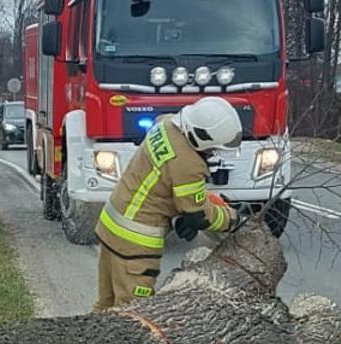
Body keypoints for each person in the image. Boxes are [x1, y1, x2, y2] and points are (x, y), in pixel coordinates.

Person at [93, 97, 241, 310]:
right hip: (135, 242)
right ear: (201, 138)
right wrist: (231, 219)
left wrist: (180, 210)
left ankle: (90, 342)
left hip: (112, 225)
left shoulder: (166, 125)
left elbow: (163, 179)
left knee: (105, 305)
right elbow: (199, 215)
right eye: (212, 149)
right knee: (133, 313)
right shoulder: (189, 164)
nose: (212, 154)